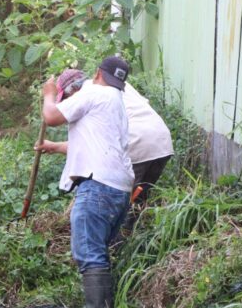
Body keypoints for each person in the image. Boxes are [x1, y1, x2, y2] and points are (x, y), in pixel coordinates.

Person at [35, 57, 134, 308]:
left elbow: (52, 116)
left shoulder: (94, 91)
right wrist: (55, 147)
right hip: (119, 188)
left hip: (98, 186)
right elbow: (96, 142)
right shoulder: (115, 100)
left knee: (89, 254)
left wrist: (48, 95)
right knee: (98, 252)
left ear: (97, 73)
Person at [55, 69, 174, 225]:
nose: (66, 103)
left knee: (115, 207)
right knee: (136, 202)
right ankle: (129, 243)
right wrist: (54, 146)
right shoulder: (112, 84)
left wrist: (54, 146)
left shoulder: (86, 96)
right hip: (161, 142)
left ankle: (114, 245)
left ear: (74, 90)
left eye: (65, 98)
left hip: (135, 145)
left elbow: (88, 146)